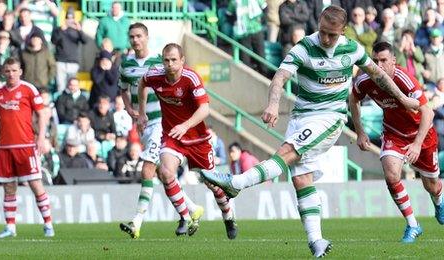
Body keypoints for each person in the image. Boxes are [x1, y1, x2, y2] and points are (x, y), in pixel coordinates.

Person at [202, 6, 420, 257]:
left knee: (287, 152)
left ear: (343, 31)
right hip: (301, 117)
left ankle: (237, 183)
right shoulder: (304, 47)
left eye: (332, 35)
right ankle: (317, 241)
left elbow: (378, 75)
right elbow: (280, 77)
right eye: (323, 32)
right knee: (301, 179)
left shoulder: (352, 49)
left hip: (330, 118)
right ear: (318, 23)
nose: (326, 39)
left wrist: (403, 98)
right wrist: (273, 103)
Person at [118, 23, 223, 239]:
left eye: (139, 36)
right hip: (145, 125)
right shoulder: (126, 65)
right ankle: (191, 209)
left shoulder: (161, 62)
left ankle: (136, 221)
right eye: (132, 37)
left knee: (147, 169)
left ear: (147, 38)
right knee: (162, 173)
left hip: (162, 124)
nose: (135, 40)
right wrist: (133, 110)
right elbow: (125, 89)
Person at [138, 43, 237, 240]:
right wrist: (141, 113)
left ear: (182, 60)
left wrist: (185, 125)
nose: (170, 64)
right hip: (172, 137)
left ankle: (228, 216)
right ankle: (185, 215)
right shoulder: (154, 75)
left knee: (214, 185)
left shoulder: (191, 78)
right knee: (165, 173)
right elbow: (142, 83)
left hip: (197, 139)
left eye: (174, 60)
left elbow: (204, 109)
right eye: (166, 60)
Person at [350, 41, 444, 243]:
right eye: (375, 60)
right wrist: (360, 132)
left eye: (383, 60)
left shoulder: (405, 79)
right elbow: (353, 100)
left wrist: (417, 144)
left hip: (422, 135)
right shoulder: (365, 78)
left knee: (432, 185)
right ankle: (413, 224)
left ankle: (438, 202)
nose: (379, 65)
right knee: (391, 174)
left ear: (393, 61)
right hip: (394, 134)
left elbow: (427, 111)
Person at [0, 57, 54, 238]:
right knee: (8, 188)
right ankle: (10, 227)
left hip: (26, 145)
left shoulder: (28, 89)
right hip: (5, 147)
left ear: (20, 71)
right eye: (8, 71)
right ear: (3, 72)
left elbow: (42, 113)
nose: (11, 74)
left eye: (14, 70)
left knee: (35, 184)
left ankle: (48, 224)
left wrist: (41, 137)